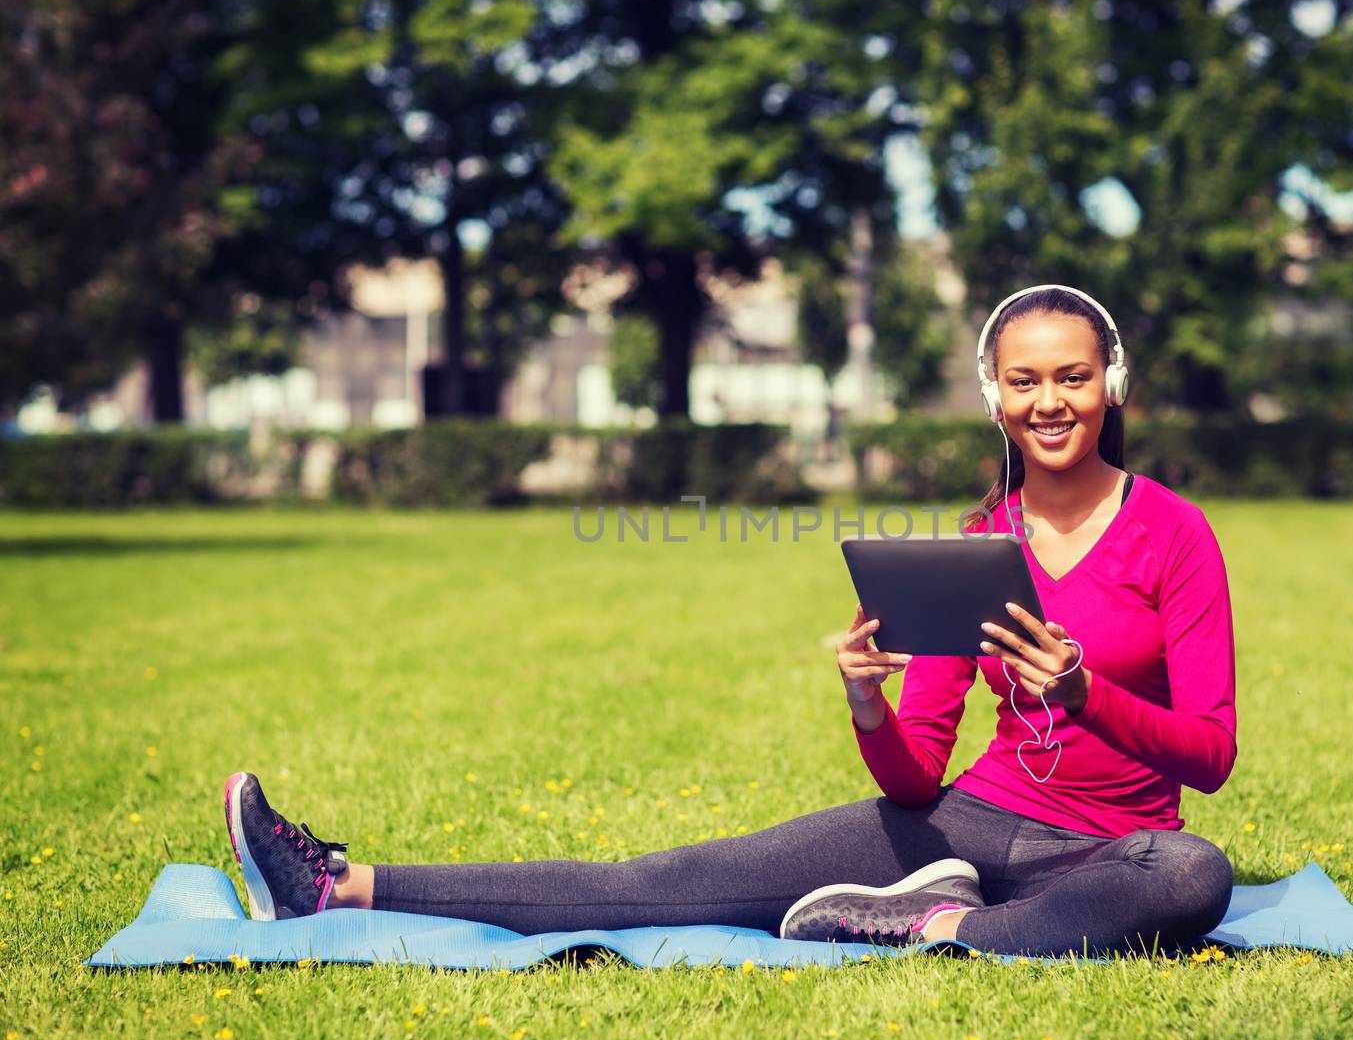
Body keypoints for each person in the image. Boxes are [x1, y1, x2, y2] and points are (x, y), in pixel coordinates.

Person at [220, 284, 1237, 958]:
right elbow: (917, 775)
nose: (1050, 400)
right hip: (964, 820)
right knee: (662, 878)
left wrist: (1081, 692)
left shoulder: (1173, 534)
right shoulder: (976, 543)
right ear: (993, 394)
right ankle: (336, 884)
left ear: (1111, 384)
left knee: (1194, 875)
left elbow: (1210, 754)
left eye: (1072, 376)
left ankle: (946, 924)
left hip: (1111, 848)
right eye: (1025, 380)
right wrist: (866, 701)